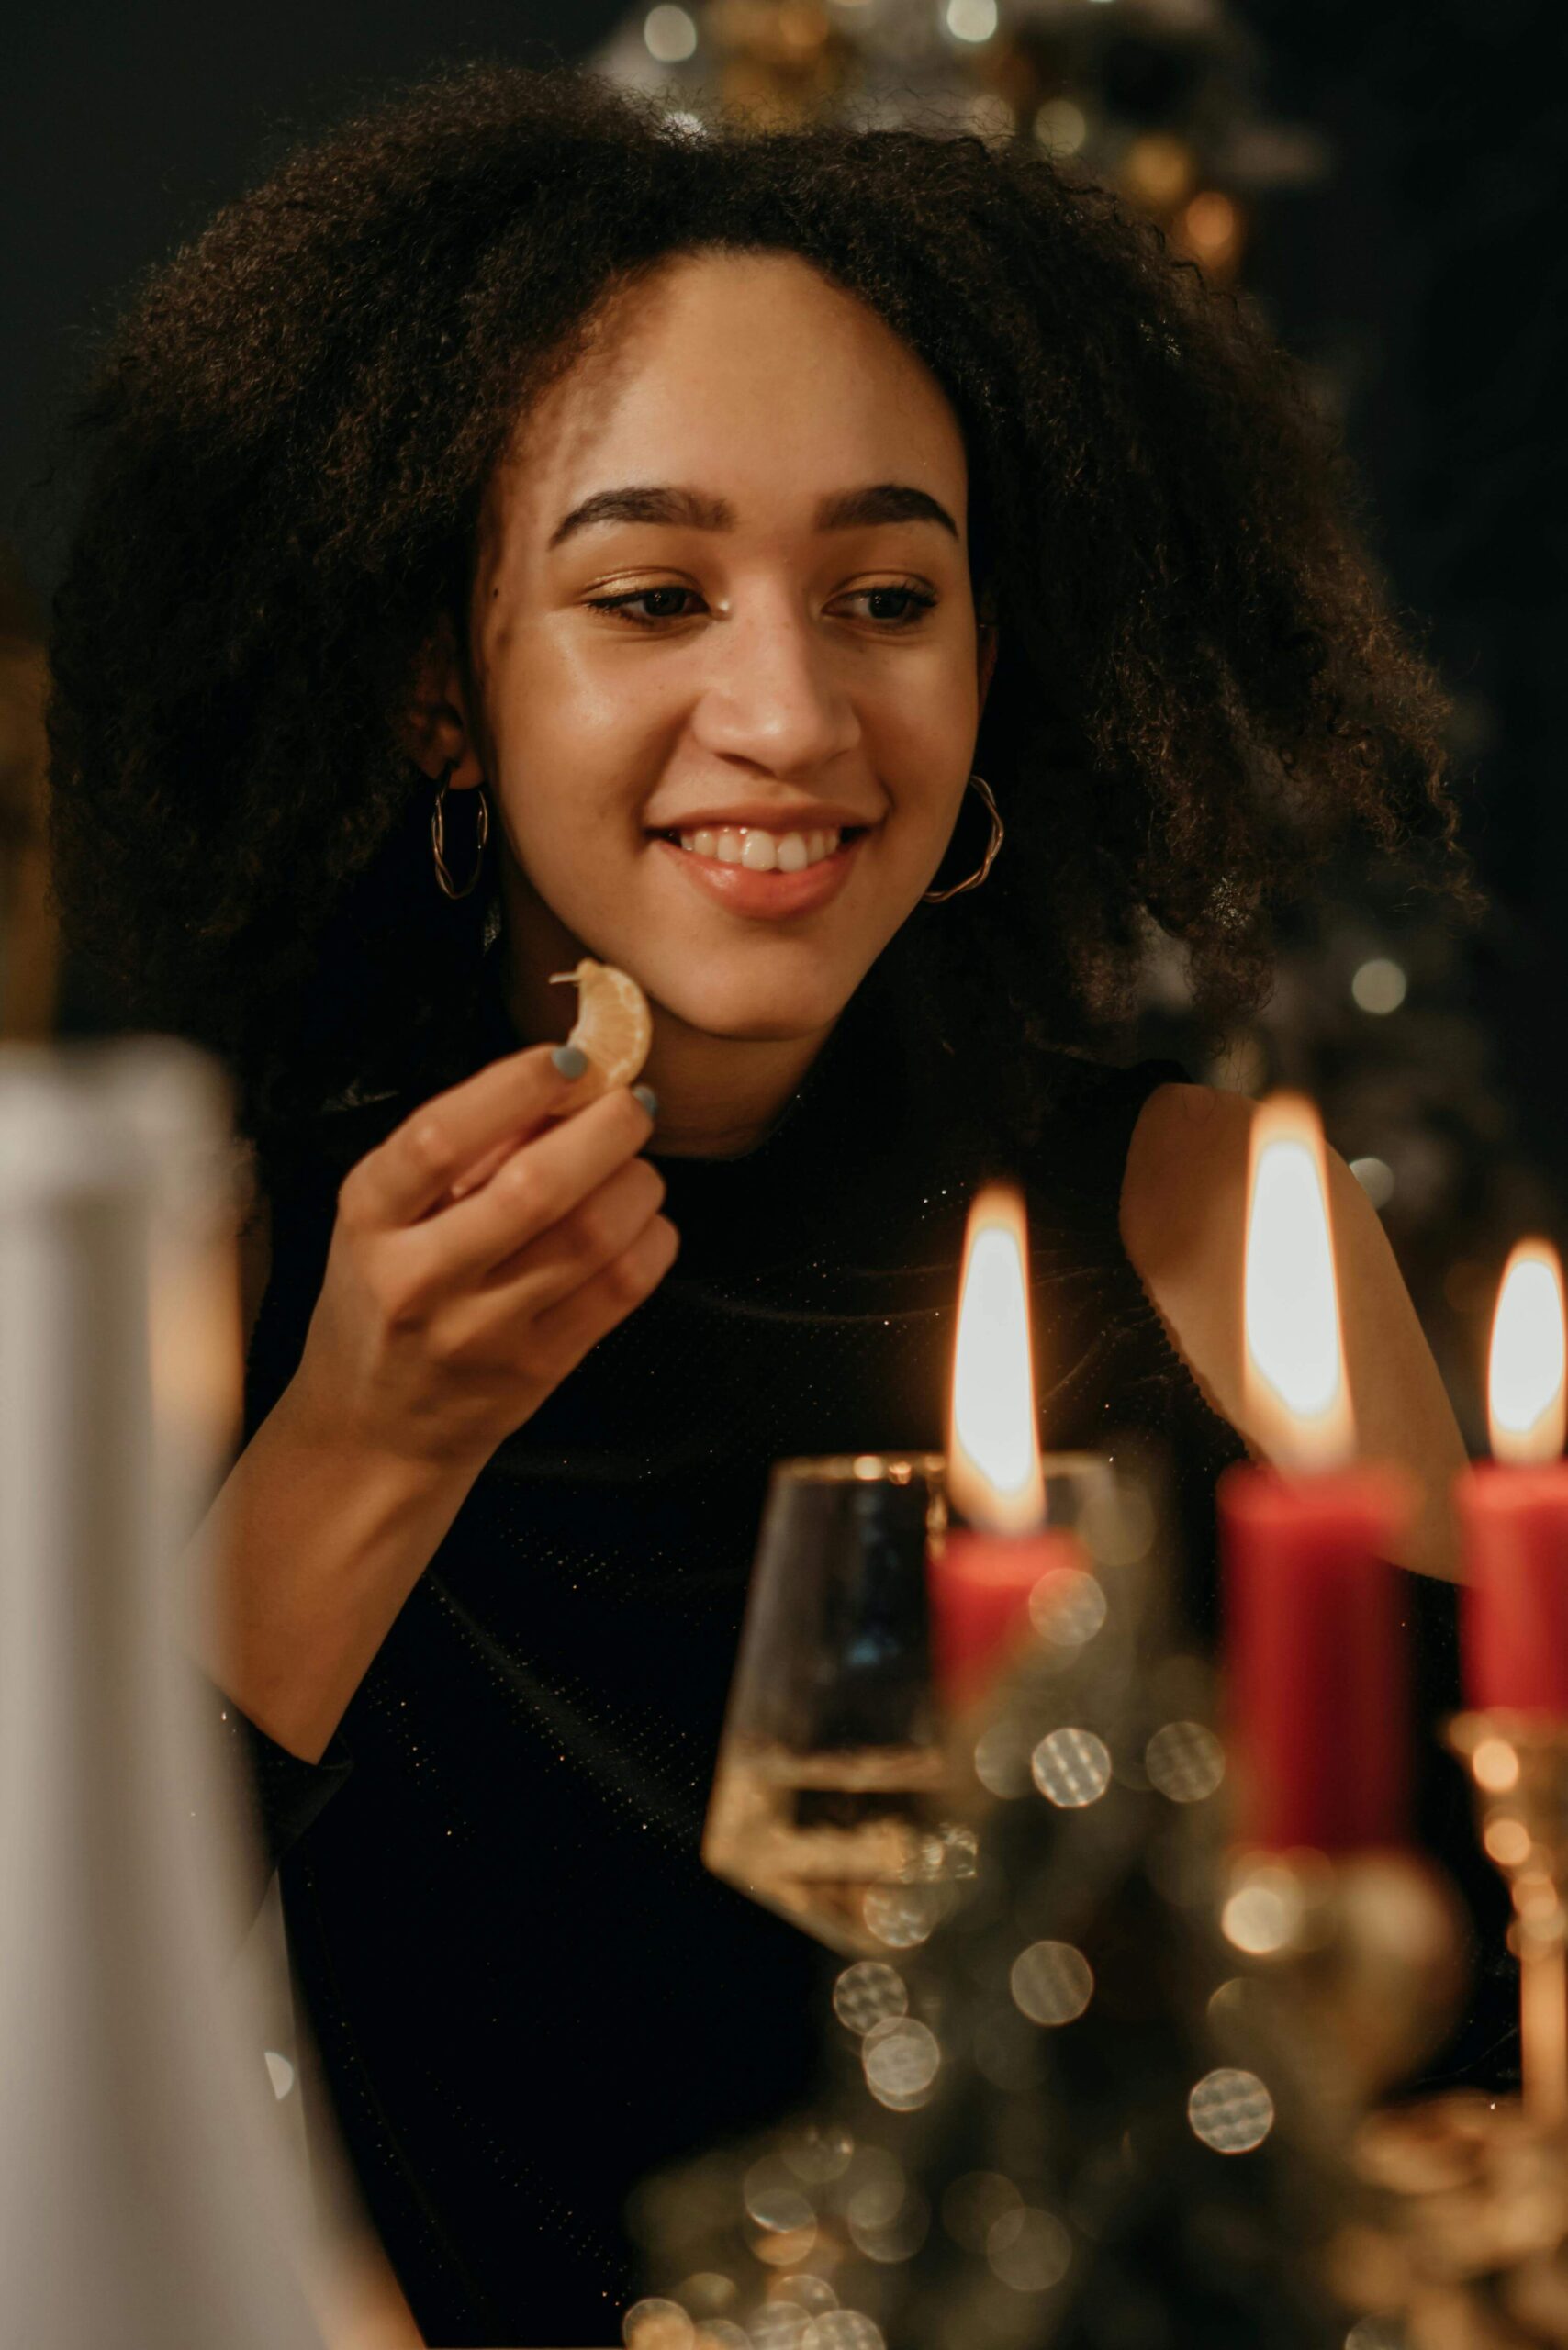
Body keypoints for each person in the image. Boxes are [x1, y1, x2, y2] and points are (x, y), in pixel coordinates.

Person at [47, 63, 1473, 2344]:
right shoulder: (192, 1267)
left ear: (986, 660)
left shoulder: (1217, 1218)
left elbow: (1463, 2049)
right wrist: (368, 1440)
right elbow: (57, 2080)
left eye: (883, 591)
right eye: (650, 592)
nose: (789, 713)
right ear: (447, 688)